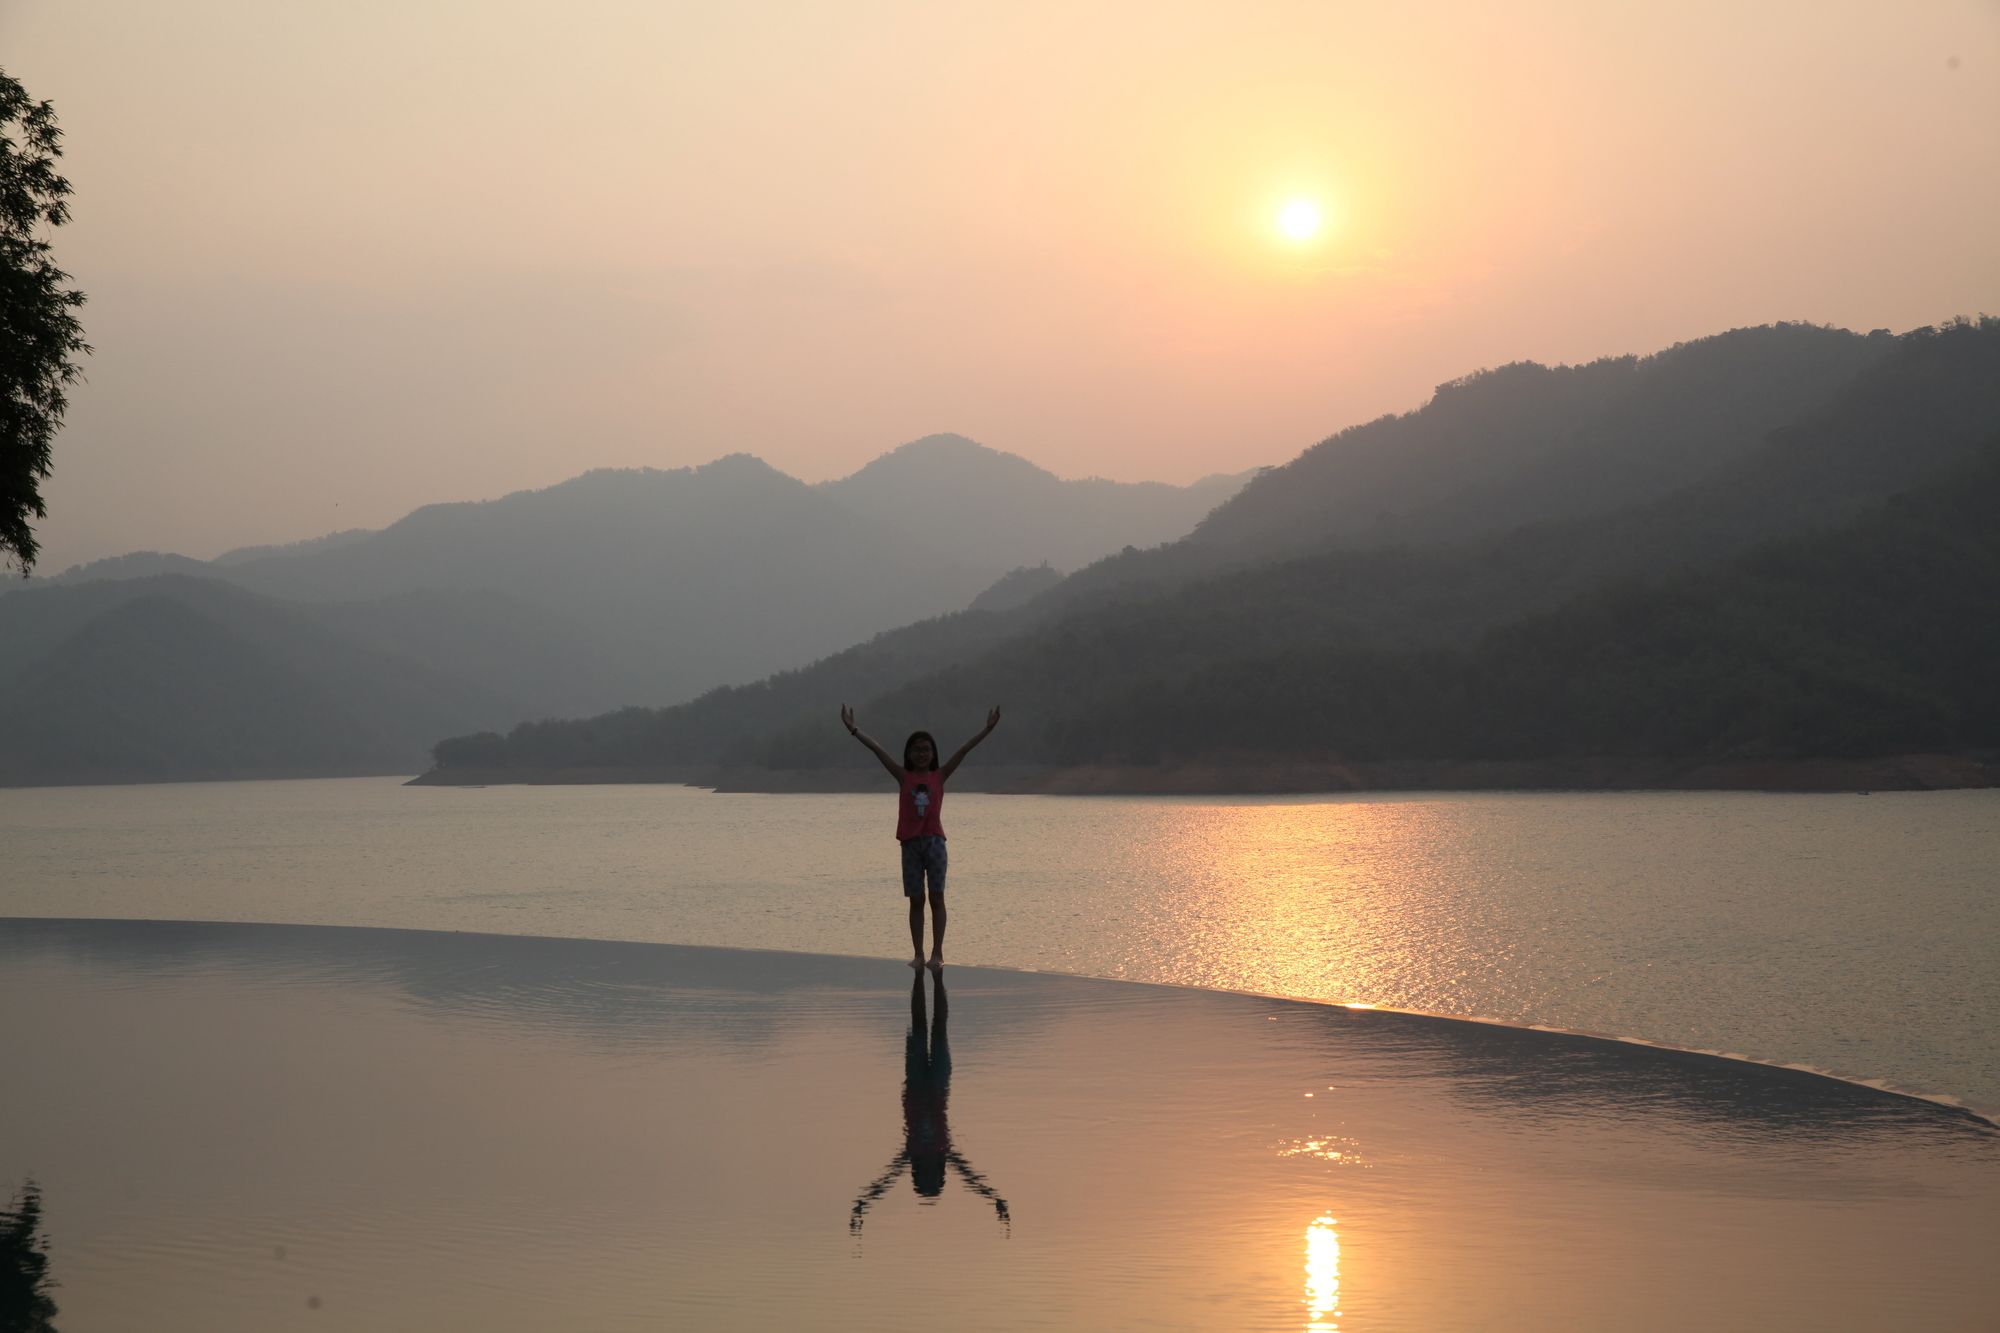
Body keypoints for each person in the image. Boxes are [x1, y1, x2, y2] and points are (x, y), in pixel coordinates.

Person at [839, 702, 1001, 971]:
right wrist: (854, 730)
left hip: (935, 843)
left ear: (933, 753)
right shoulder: (903, 776)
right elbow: (877, 750)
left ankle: (937, 953)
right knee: (916, 901)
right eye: (916, 750)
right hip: (910, 845)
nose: (922, 754)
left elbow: (964, 750)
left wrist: (987, 730)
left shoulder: (940, 775)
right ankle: (918, 954)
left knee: (937, 898)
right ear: (909, 754)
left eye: (926, 749)